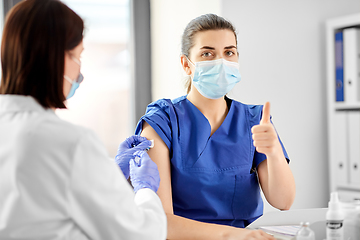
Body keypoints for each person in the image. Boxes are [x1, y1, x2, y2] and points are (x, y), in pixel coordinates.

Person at [0, 0, 166, 239]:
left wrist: (109, 171)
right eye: (77, 57)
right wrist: (145, 189)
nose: (80, 74)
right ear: (54, 57)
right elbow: (142, 234)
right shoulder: (70, 143)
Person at [132, 14, 296, 240]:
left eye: (229, 52)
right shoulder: (162, 122)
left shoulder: (255, 120)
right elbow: (160, 221)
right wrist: (234, 236)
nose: (221, 61)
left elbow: (283, 202)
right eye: (207, 54)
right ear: (186, 64)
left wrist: (274, 152)